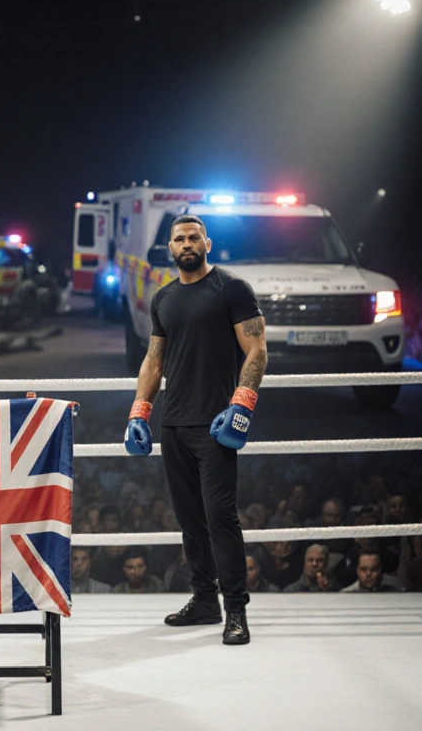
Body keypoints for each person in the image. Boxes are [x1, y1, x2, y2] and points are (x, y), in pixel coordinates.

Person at [124, 214, 266, 645]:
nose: (186, 244)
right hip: (174, 423)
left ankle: (236, 610)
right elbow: (154, 361)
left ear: (207, 242)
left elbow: (257, 349)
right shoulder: (164, 298)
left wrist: (242, 403)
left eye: (193, 237)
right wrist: (139, 411)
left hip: (215, 424)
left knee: (221, 517)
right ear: (170, 248)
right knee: (189, 519)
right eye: (178, 239)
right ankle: (204, 599)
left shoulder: (232, 288)